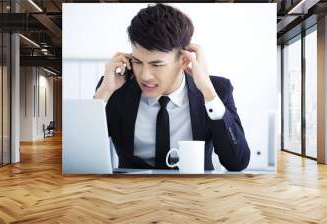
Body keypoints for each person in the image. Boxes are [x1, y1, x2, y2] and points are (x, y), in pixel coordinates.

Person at [94, 3, 250, 171]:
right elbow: (83, 156)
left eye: (156, 64)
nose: (145, 75)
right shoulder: (115, 88)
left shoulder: (217, 89)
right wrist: (103, 94)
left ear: (184, 60)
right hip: (131, 192)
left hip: (195, 191)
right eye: (138, 62)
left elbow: (236, 163)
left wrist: (208, 92)